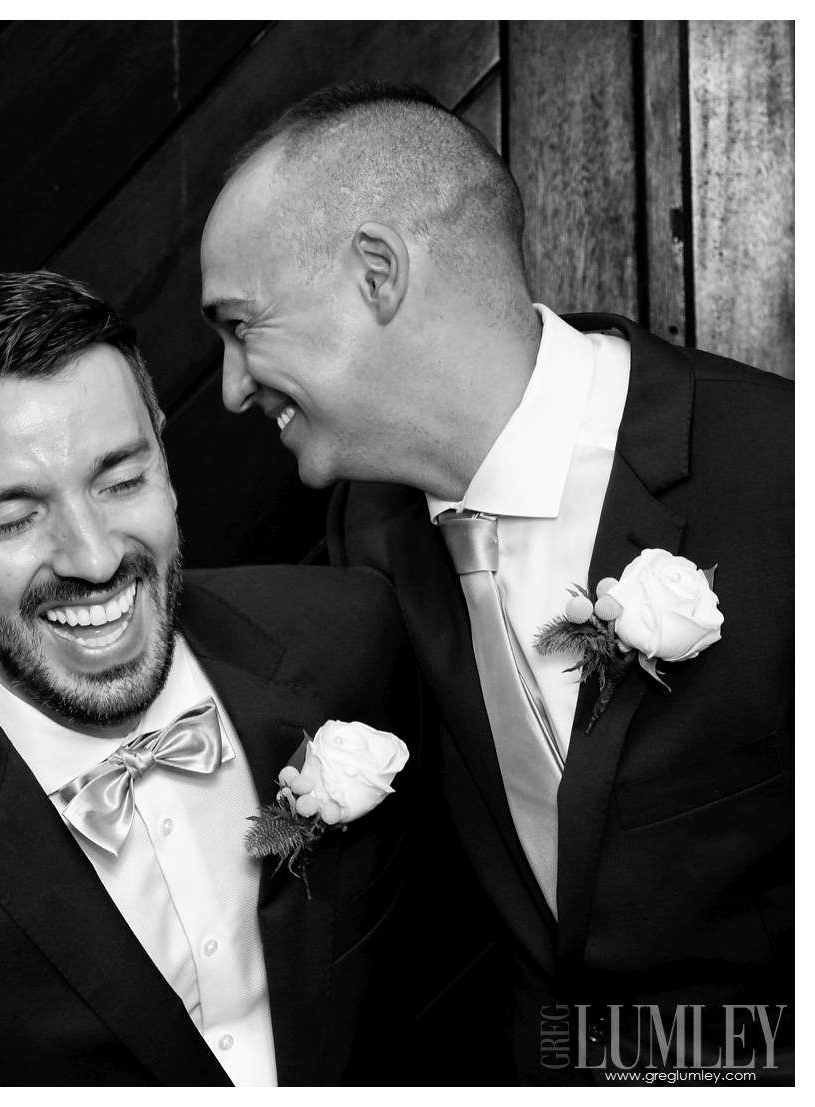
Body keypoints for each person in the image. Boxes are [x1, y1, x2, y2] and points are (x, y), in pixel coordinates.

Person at [200, 81, 792, 1083]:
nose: (225, 387)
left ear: (376, 274)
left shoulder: (780, 475)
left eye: (238, 325)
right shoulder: (371, 532)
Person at [0, 270, 417, 1085]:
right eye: (12, 518)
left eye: (121, 480)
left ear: (165, 459)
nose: (95, 557)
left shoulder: (351, 636)